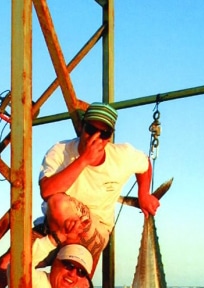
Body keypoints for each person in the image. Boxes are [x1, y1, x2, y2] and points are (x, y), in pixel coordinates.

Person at [38, 101, 161, 263]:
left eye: (104, 134)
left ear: (110, 137)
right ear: (82, 127)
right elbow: (46, 191)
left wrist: (143, 194)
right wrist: (84, 160)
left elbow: (145, 163)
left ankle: (72, 268)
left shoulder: (121, 155)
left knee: (59, 205)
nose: (96, 137)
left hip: (97, 226)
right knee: (7, 264)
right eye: (91, 130)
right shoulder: (61, 150)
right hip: (54, 225)